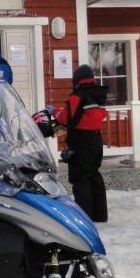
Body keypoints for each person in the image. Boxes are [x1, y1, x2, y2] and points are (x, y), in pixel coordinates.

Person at [33, 64, 109, 222]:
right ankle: (100, 215)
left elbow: (66, 119)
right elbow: (85, 116)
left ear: (77, 80)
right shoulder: (98, 94)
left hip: (81, 141)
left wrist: (53, 111)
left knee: (80, 178)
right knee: (94, 175)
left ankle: (84, 217)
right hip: (96, 139)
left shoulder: (78, 96)